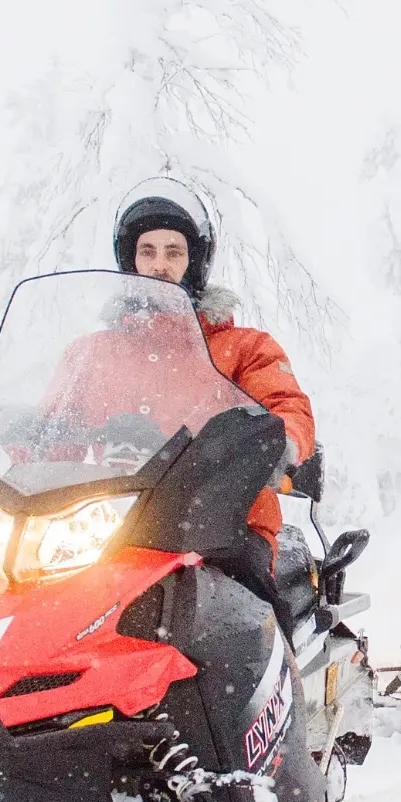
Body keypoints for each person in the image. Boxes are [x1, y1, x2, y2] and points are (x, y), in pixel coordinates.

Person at [111, 179, 316, 564]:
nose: (159, 265)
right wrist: (12, 441)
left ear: (194, 262)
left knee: (229, 611)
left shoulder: (245, 348)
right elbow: (55, 420)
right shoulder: (92, 353)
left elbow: (289, 408)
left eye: (174, 252)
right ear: (130, 260)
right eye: (147, 251)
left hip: (220, 525)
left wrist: (273, 444)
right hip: (105, 527)